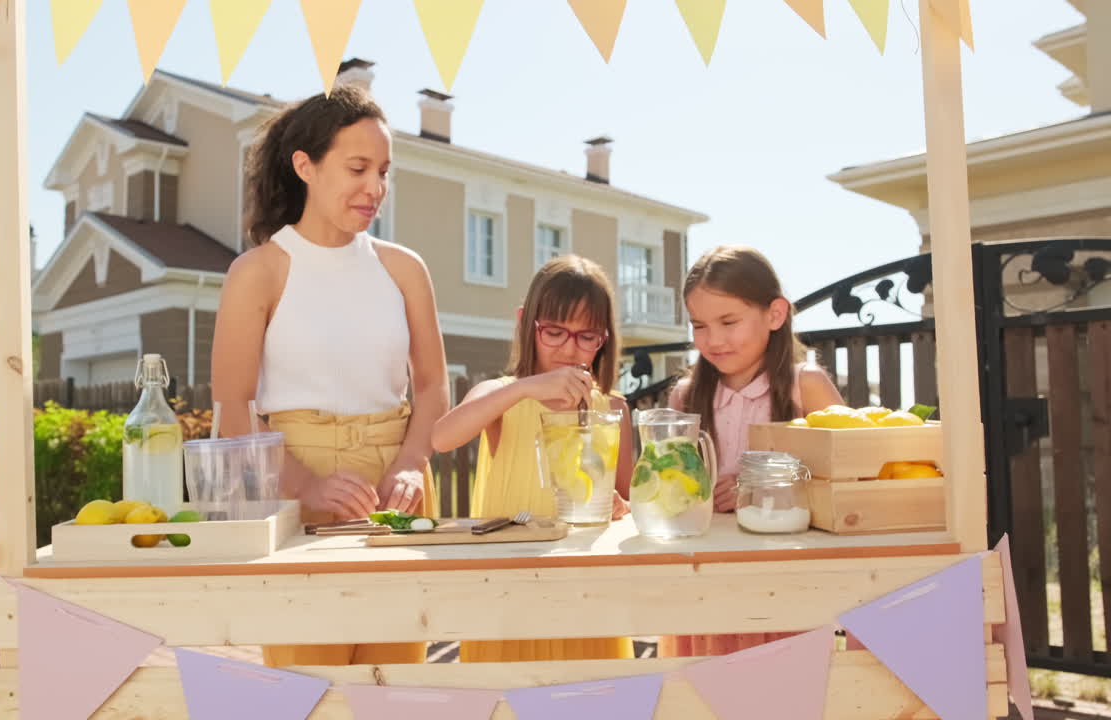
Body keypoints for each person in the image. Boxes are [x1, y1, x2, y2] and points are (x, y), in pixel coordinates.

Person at [211, 85, 448, 667]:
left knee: (397, 690)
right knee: (308, 689)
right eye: (358, 168)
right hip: (296, 492)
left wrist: (411, 466)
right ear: (305, 167)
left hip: (398, 497)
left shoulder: (404, 269)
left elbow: (434, 388)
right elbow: (233, 409)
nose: (375, 188)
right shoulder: (258, 273)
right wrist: (308, 486)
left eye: (384, 172)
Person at [432, 255, 634, 662]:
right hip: (507, 591)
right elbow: (442, 438)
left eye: (586, 336)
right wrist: (524, 388)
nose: (568, 348)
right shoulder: (501, 394)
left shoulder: (611, 408)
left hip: (586, 595)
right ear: (526, 322)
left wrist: (622, 508)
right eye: (554, 332)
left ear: (604, 339)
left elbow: (627, 503)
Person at [658, 245, 843, 657]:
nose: (714, 339)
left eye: (729, 321)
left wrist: (759, 486)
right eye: (699, 325)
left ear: (775, 314)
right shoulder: (686, 398)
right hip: (703, 591)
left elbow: (847, 480)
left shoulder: (805, 385)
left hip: (786, 590)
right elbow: (672, 493)